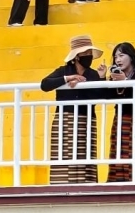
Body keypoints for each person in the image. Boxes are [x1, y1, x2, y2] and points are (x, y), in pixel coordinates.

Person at [41, 35, 104, 184]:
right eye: (85, 53)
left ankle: (85, 186)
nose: (89, 56)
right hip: (65, 119)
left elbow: (100, 96)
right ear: (77, 56)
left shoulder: (92, 74)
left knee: (84, 154)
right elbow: (45, 84)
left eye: (90, 53)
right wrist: (68, 79)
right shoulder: (64, 70)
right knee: (63, 153)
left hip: (85, 119)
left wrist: (100, 79)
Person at [96, 42, 135, 182]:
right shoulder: (115, 75)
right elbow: (107, 97)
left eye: (121, 55)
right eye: (116, 57)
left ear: (131, 57)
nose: (118, 60)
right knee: (118, 151)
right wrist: (103, 78)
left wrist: (126, 81)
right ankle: (118, 182)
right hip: (121, 119)